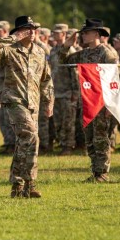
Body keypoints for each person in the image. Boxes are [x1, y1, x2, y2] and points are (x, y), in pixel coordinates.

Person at [0, 16, 53, 197]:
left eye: (33, 29)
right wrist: (13, 37)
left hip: (33, 103)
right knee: (32, 137)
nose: (32, 32)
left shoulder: (40, 52)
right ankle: (30, 184)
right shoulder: (9, 50)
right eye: (27, 29)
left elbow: (46, 79)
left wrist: (49, 101)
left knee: (23, 142)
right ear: (18, 31)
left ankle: (17, 184)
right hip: (14, 101)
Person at [60, 18, 119, 182]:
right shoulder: (84, 54)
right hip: (87, 102)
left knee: (100, 138)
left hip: (101, 102)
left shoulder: (107, 53)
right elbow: (62, 59)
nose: (83, 35)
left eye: (86, 32)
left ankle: (103, 173)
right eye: (83, 33)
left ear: (97, 34)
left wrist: (109, 105)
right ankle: (95, 172)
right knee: (90, 138)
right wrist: (67, 45)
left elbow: (113, 81)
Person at [49, 23, 77, 155]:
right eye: (53, 32)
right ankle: (62, 144)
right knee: (58, 121)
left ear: (64, 34)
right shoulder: (53, 50)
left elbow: (75, 73)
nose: (54, 34)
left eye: (57, 32)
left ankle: (68, 146)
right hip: (56, 92)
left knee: (68, 121)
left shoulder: (70, 51)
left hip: (67, 92)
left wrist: (75, 92)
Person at [0, 20, 16, 154]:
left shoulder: (10, 47)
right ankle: (7, 142)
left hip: (8, 87)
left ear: (5, 32)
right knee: (0, 118)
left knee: (9, 118)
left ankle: (13, 144)